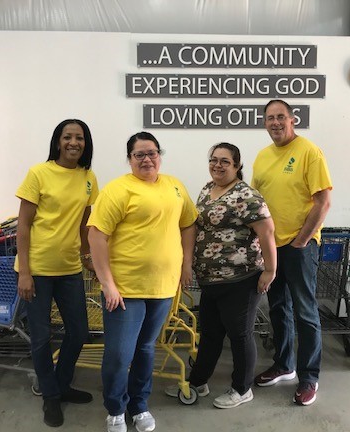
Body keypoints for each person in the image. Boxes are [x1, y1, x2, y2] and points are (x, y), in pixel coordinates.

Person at [88, 132, 198, 432]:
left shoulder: (175, 185)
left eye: (152, 153)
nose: (147, 159)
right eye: (139, 154)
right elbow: (96, 236)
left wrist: (186, 263)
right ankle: (115, 409)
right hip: (125, 289)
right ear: (129, 159)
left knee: (147, 348)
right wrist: (108, 284)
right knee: (119, 353)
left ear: (159, 155)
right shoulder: (118, 189)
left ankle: (139, 406)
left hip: (162, 286)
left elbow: (188, 223)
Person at [164, 142, 276, 409]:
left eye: (225, 161)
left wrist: (270, 271)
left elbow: (267, 233)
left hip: (241, 278)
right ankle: (197, 382)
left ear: (237, 166)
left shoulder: (246, 195)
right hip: (211, 279)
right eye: (213, 159)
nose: (217, 165)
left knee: (240, 335)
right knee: (211, 333)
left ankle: (242, 388)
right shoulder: (207, 189)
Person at [15, 119, 98, 427]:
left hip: (69, 269)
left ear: (86, 143)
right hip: (36, 269)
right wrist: (24, 271)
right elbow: (23, 225)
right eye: (67, 137)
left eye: (79, 137)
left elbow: (84, 224)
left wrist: (87, 257)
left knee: (78, 333)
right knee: (41, 337)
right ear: (58, 141)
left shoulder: (89, 178)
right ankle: (50, 396)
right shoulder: (39, 172)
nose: (73, 142)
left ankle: (61, 385)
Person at [252, 99, 332, 406]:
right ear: (265, 122)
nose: (275, 122)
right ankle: (284, 365)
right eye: (270, 118)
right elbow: (256, 203)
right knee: (278, 308)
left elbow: (323, 201)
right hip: (271, 247)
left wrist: (301, 241)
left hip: (299, 246)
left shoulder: (309, 152)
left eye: (280, 117)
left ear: (292, 119)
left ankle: (309, 376)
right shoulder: (262, 157)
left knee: (305, 312)